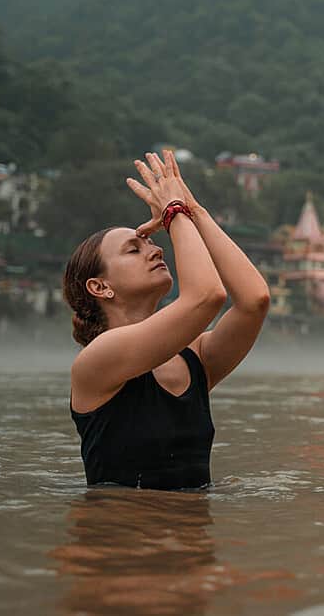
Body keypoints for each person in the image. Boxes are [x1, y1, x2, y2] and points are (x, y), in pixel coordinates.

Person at [62, 149, 270, 490]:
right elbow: (206, 296)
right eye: (134, 249)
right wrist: (174, 212)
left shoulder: (196, 359)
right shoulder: (97, 360)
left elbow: (254, 301)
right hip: (116, 525)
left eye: (151, 244)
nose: (157, 250)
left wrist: (195, 210)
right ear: (100, 287)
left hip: (190, 525)